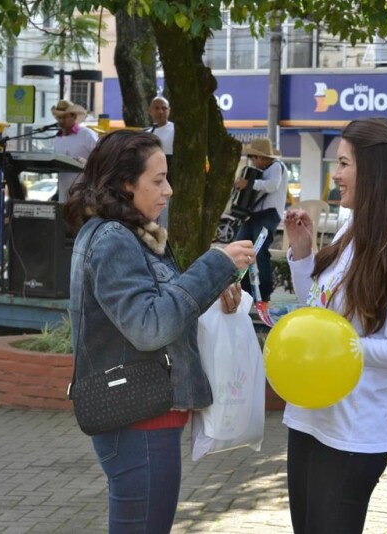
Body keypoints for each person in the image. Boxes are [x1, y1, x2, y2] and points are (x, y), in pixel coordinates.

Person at [63, 130, 255, 533]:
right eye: (157, 179)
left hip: (146, 417)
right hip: (139, 420)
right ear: (125, 184)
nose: (167, 190)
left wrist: (212, 291)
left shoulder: (131, 234)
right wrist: (214, 265)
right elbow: (150, 327)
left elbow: (161, 306)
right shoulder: (115, 240)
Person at [283, 117, 387, 533]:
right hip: (308, 419)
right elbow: (318, 314)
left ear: (375, 170)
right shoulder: (352, 232)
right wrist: (302, 256)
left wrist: (345, 347)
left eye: (344, 163)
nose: (335, 174)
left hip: (352, 435)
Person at [234, 137, 288, 301]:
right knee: (241, 247)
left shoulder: (277, 166)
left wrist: (249, 184)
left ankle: (264, 293)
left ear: (261, 157)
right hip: (255, 215)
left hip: (269, 214)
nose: (252, 161)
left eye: (253, 157)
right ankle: (244, 290)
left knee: (260, 252)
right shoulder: (263, 170)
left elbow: (272, 185)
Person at [52, 100, 98, 202]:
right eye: (59, 118)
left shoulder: (87, 134)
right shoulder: (57, 138)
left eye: (65, 117)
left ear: (74, 117)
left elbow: (102, 157)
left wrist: (87, 163)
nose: (61, 121)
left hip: (84, 195)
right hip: (64, 195)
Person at [148, 96, 174, 227]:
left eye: (164, 108)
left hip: (168, 185)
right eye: (156, 108)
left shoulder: (175, 131)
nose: (160, 112)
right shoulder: (147, 133)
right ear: (150, 110)